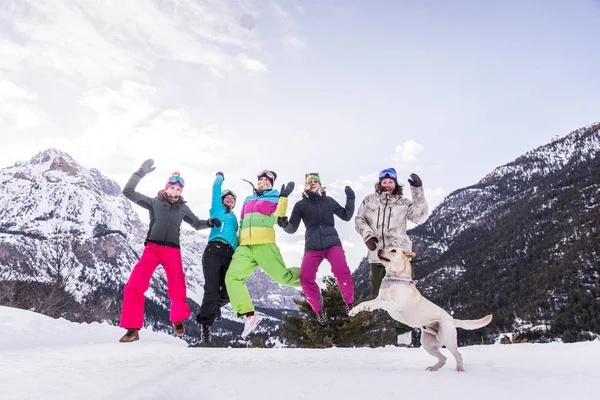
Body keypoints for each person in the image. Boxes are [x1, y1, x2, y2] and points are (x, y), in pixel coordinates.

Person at [119, 159, 219, 343]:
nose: (175, 192)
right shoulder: (154, 202)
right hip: (152, 248)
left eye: (178, 190)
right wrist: (140, 172)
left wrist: (209, 223)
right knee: (134, 284)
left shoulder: (183, 208)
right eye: (172, 188)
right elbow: (128, 192)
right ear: (166, 188)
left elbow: (196, 224)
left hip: (172, 251)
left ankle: (177, 320)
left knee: (177, 287)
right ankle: (132, 329)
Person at [354, 167, 428, 347]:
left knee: (403, 297)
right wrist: (368, 236)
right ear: (379, 183)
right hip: (377, 255)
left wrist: (417, 190)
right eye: (384, 182)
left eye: (390, 182)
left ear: (395, 184)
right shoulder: (369, 201)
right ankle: (379, 333)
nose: (387, 184)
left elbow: (420, 216)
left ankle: (404, 340)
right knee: (377, 293)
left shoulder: (403, 203)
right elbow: (359, 219)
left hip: (398, 258)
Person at [224, 170, 300, 338]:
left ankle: (307, 277)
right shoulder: (248, 199)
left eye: (267, 181)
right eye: (261, 180)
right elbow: (243, 222)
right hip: (245, 247)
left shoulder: (274, 197)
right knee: (232, 277)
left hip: (264, 244)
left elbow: (277, 218)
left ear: (271, 184)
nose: (263, 182)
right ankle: (249, 316)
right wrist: (237, 244)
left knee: (283, 278)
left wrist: (283, 198)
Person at [277, 172, 355, 325]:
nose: (312, 183)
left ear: (320, 184)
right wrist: (284, 224)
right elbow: (292, 228)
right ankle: (319, 311)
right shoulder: (301, 205)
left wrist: (350, 198)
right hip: (312, 246)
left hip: (332, 243)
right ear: (306, 185)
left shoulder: (328, 201)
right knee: (305, 279)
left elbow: (346, 215)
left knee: (342, 271)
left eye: (315, 181)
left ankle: (350, 304)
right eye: (309, 181)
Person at [195, 172, 238, 343]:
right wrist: (220, 176)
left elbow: (238, 236)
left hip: (229, 254)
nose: (230, 200)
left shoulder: (235, 219)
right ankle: (205, 325)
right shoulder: (217, 209)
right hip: (213, 250)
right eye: (227, 198)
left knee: (229, 292)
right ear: (222, 200)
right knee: (211, 290)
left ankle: (215, 308)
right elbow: (215, 188)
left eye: (233, 199)